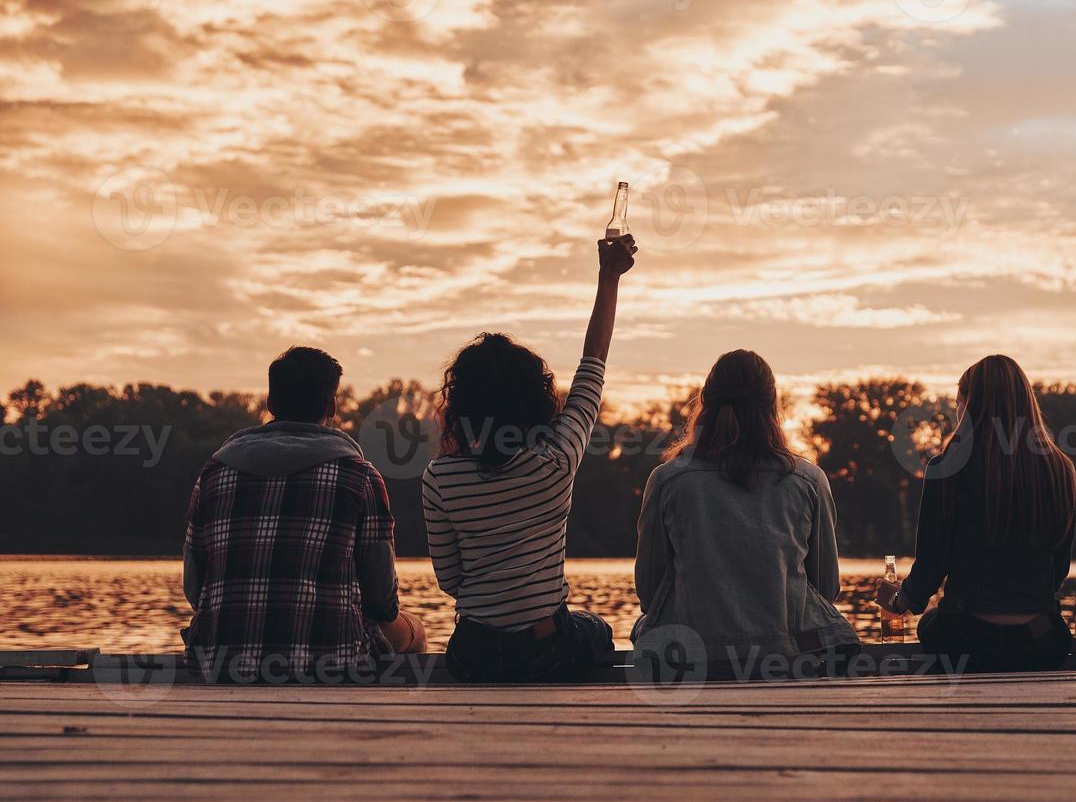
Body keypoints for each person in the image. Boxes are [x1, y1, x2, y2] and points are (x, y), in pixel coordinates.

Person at [422, 235, 636, 683]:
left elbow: (450, 581)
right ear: (535, 403)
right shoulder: (557, 462)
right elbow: (592, 363)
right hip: (548, 652)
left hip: (473, 654)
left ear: (460, 405)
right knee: (596, 627)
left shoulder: (439, 478)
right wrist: (608, 277)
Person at [183, 347, 425, 684]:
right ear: (332, 406)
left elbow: (195, 589)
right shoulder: (360, 477)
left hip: (221, 662)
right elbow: (381, 599)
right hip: (332, 663)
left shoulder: (213, 474)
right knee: (414, 630)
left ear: (270, 403)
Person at [633, 350, 858, 661]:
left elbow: (649, 592)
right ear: (772, 407)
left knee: (643, 628)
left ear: (706, 403)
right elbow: (826, 588)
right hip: (785, 657)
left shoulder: (668, 480)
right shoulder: (809, 480)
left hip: (696, 657)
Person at [877, 355, 1076, 672]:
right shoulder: (1060, 470)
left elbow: (931, 566)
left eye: (959, 404)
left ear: (970, 407)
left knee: (930, 624)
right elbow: (1058, 570)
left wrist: (899, 601)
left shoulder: (947, 470)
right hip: (1042, 639)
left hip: (966, 637)